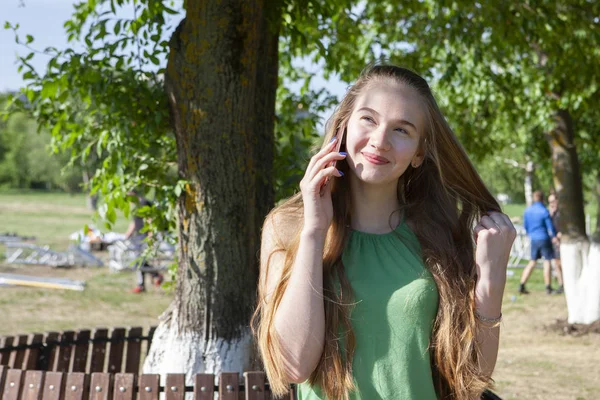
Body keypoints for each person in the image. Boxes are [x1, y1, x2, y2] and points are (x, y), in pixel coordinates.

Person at [251, 64, 516, 400]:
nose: (380, 141)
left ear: (419, 153)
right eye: (368, 119)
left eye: (401, 130)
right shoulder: (287, 228)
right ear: (344, 125)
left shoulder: (442, 234)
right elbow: (293, 367)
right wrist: (315, 231)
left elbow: (473, 376)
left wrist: (491, 281)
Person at [518, 190, 558, 295]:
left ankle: (522, 284)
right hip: (544, 238)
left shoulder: (527, 211)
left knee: (532, 261)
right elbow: (550, 227)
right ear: (543, 199)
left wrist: (530, 234)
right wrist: (554, 236)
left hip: (534, 239)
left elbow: (525, 226)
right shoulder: (544, 211)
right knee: (547, 261)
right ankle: (548, 287)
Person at [125, 191, 163, 293]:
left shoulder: (143, 202)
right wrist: (127, 234)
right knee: (139, 260)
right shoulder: (135, 206)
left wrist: (150, 233)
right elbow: (134, 221)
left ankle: (144, 283)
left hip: (145, 235)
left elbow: (150, 218)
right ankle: (154, 276)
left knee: (140, 260)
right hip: (138, 235)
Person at [547, 193, 564, 294]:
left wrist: (558, 236)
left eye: (553, 202)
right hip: (555, 241)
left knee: (561, 263)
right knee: (557, 263)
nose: (551, 204)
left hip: (562, 241)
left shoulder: (562, 213)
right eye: (550, 202)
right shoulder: (551, 213)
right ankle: (561, 284)